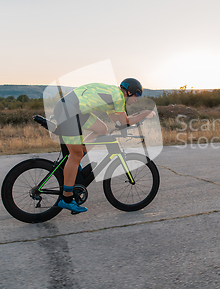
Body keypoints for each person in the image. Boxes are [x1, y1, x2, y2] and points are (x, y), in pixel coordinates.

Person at [53, 78, 155, 213]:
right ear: (129, 92)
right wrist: (145, 114)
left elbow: (119, 123)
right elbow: (124, 122)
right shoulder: (118, 97)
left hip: (73, 110)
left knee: (102, 129)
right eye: (137, 95)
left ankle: (79, 156)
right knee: (75, 154)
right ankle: (66, 199)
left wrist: (136, 118)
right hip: (68, 110)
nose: (137, 99)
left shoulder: (112, 99)